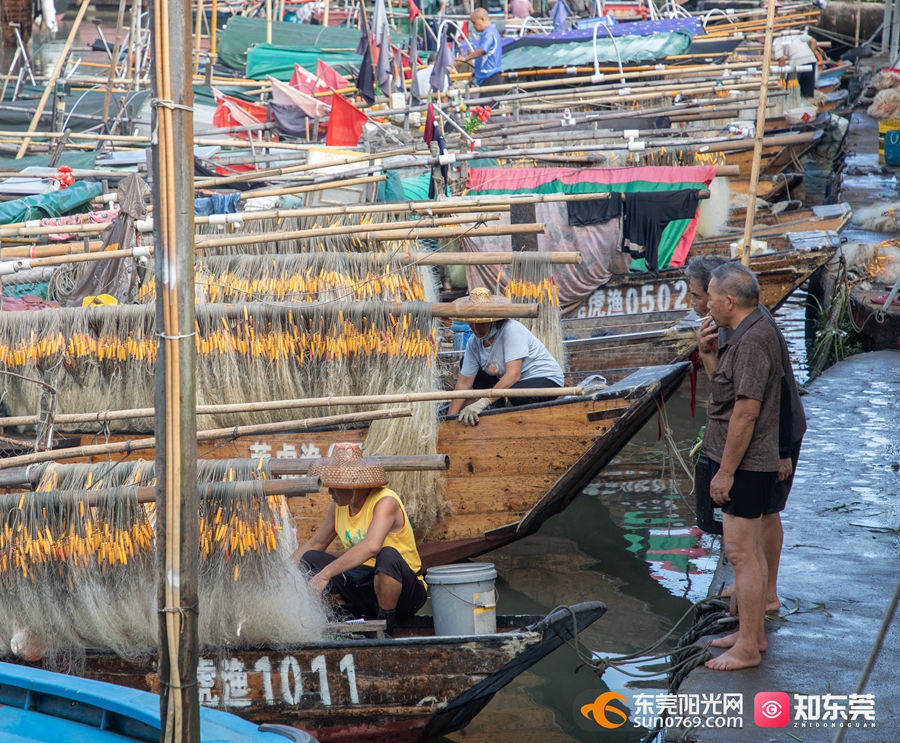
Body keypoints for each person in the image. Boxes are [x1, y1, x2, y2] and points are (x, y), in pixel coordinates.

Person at [686, 255, 806, 613]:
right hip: (756, 438)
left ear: (722, 295)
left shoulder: (753, 332)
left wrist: (782, 451)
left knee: (766, 514)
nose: (694, 303)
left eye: (697, 294)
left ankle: (766, 593)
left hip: (774, 434)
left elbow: (774, 394)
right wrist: (706, 352)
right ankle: (751, 587)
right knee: (748, 537)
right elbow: (727, 387)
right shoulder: (725, 325)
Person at [695, 262, 782, 671]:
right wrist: (708, 355)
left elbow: (745, 414)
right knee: (749, 551)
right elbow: (727, 395)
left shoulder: (751, 343)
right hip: (748, 461)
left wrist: (725, 472)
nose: (706, 303)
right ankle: (753, 634)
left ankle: (747, 647)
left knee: (740, 552)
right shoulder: (743, 335)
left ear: (729, 301)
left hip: (747, 464)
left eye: (709, 296)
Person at [292, 443, 427, 636]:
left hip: (403, 592)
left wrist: (325, 574)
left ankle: (385, 629)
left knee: (387, 555)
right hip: (364, 588)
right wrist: (282, 573)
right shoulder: (337, 507)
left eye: (335, 486)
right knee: (311, 558)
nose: (330, 492)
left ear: (353, 485)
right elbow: (315, 543)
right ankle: (349, 622)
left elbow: (372, 546)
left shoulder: (385, 501)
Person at [448, 287, 564, 426]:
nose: (476, 329)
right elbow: (464, 383)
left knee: (518, 396)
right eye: (471, 324)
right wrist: (450, 419)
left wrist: (482, 402)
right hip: (512, 383)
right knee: (466, 364)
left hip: (544, 378)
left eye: (481, 324)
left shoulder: (511, 330)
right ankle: (496, 406)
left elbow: (513, 375)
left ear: (492, 320)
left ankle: (522, 422)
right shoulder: (474, 342)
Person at [455, 8, 504, 87]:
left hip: (490, 77)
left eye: (474, 23)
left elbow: (482, 50)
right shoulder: (490, 31)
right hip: (488, 77)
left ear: (482, 19)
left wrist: (466, 58)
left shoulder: (489, 33)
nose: (473, 26)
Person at [773, 30, 818, 99]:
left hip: (797, 64)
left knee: (790, 91)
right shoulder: (797, 33)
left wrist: (783, 79)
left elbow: (781, 60)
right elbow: (814, 41)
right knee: (808, 94)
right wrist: (808, 56)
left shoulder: (777, 40)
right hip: (811, 61)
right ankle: (807, 106)